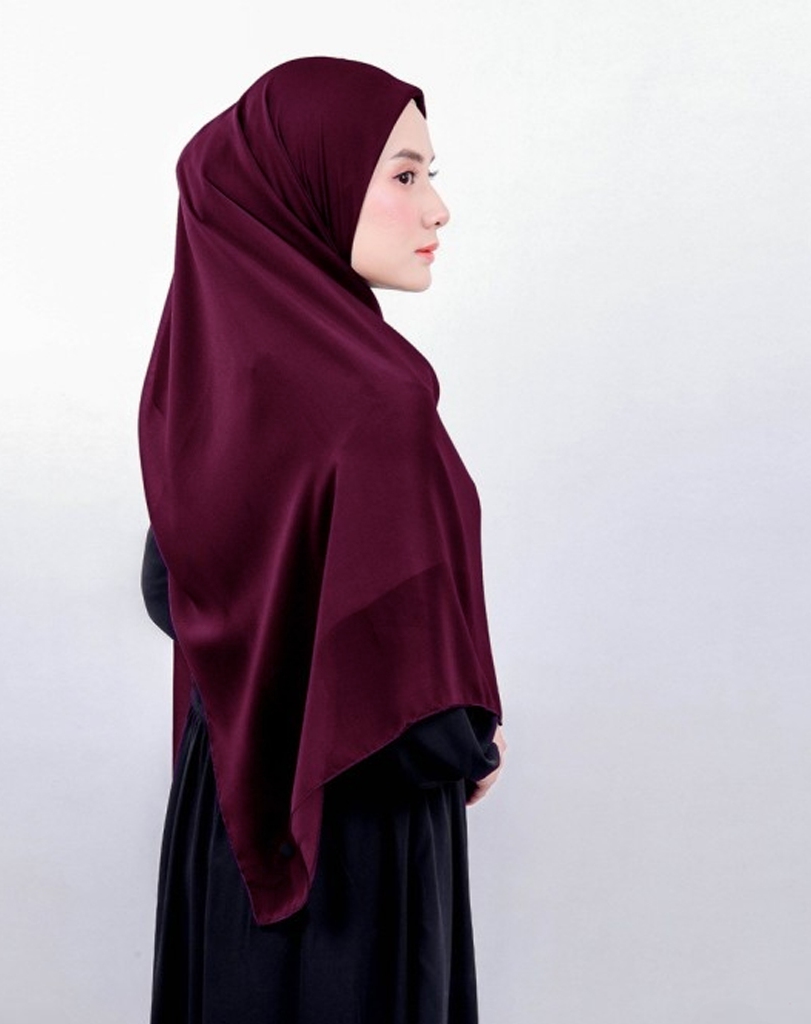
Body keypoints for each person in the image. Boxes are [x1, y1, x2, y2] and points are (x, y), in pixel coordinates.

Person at [138, 56, 506, 1024]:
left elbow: (172, 591)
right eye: (404, 174)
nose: (437, 210)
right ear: (306, 188)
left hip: (230, 809)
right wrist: (467, 741)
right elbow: (418, 707)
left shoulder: (204, 385)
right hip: (350, 834)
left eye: (429, 175)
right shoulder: (377, 401)